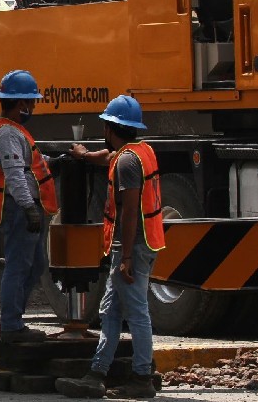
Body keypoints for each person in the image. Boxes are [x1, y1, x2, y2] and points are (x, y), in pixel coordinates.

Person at [57, 96, 163, 399]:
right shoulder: (140, 152)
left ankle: (142, 377)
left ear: (110, 127)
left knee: (136, 312)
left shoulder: (128, 162)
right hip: (142, 243)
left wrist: (126, 256)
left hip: (133, 247)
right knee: (111, 310)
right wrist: (85, 154)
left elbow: (129, 210)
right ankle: (97, 372)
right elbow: (110, 157)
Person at [0, 70, 59, 343]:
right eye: (32, 102)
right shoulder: (6, 133)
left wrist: (55, 163)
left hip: (24, 206)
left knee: (35, 264)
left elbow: (27, 168)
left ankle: (13, 321)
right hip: (19, 208)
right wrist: (29, 207)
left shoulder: (14, 131)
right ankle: (11, 325)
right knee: (19, 266)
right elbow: (15, 173)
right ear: (21, 104)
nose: (34, 107)